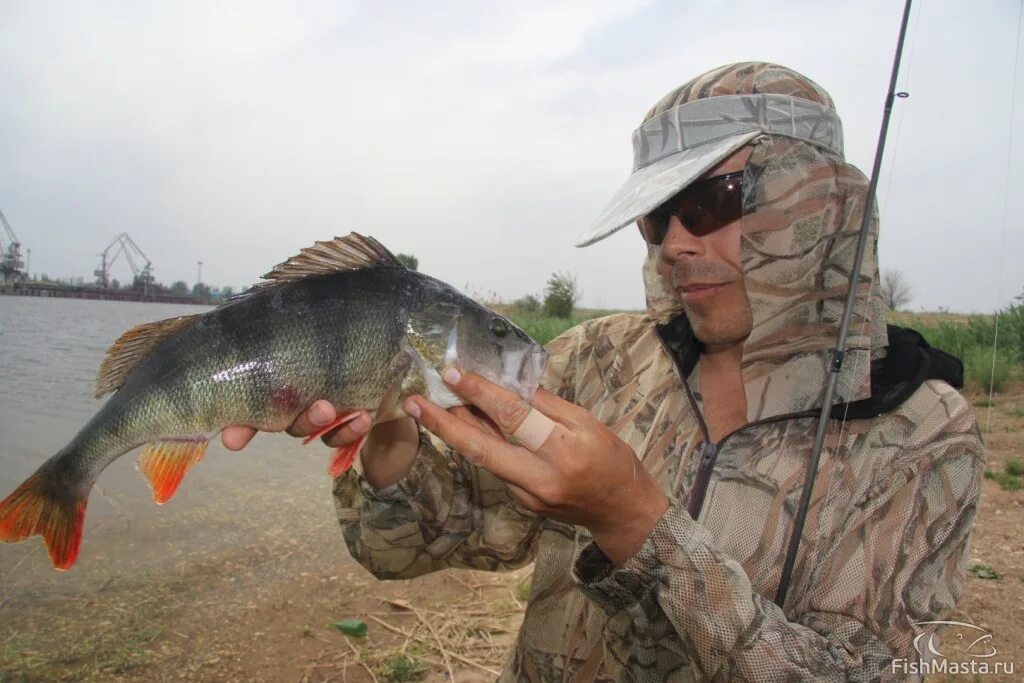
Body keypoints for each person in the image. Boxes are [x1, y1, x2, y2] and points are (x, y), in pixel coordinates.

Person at [223, 62, 984, 681]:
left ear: (813, 206)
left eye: (712, 200)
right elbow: (443, 537)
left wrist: (632, 521)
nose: (676, 243)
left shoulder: (923, 431)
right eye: (658, 215)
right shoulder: (599, 358)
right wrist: (393, 443)